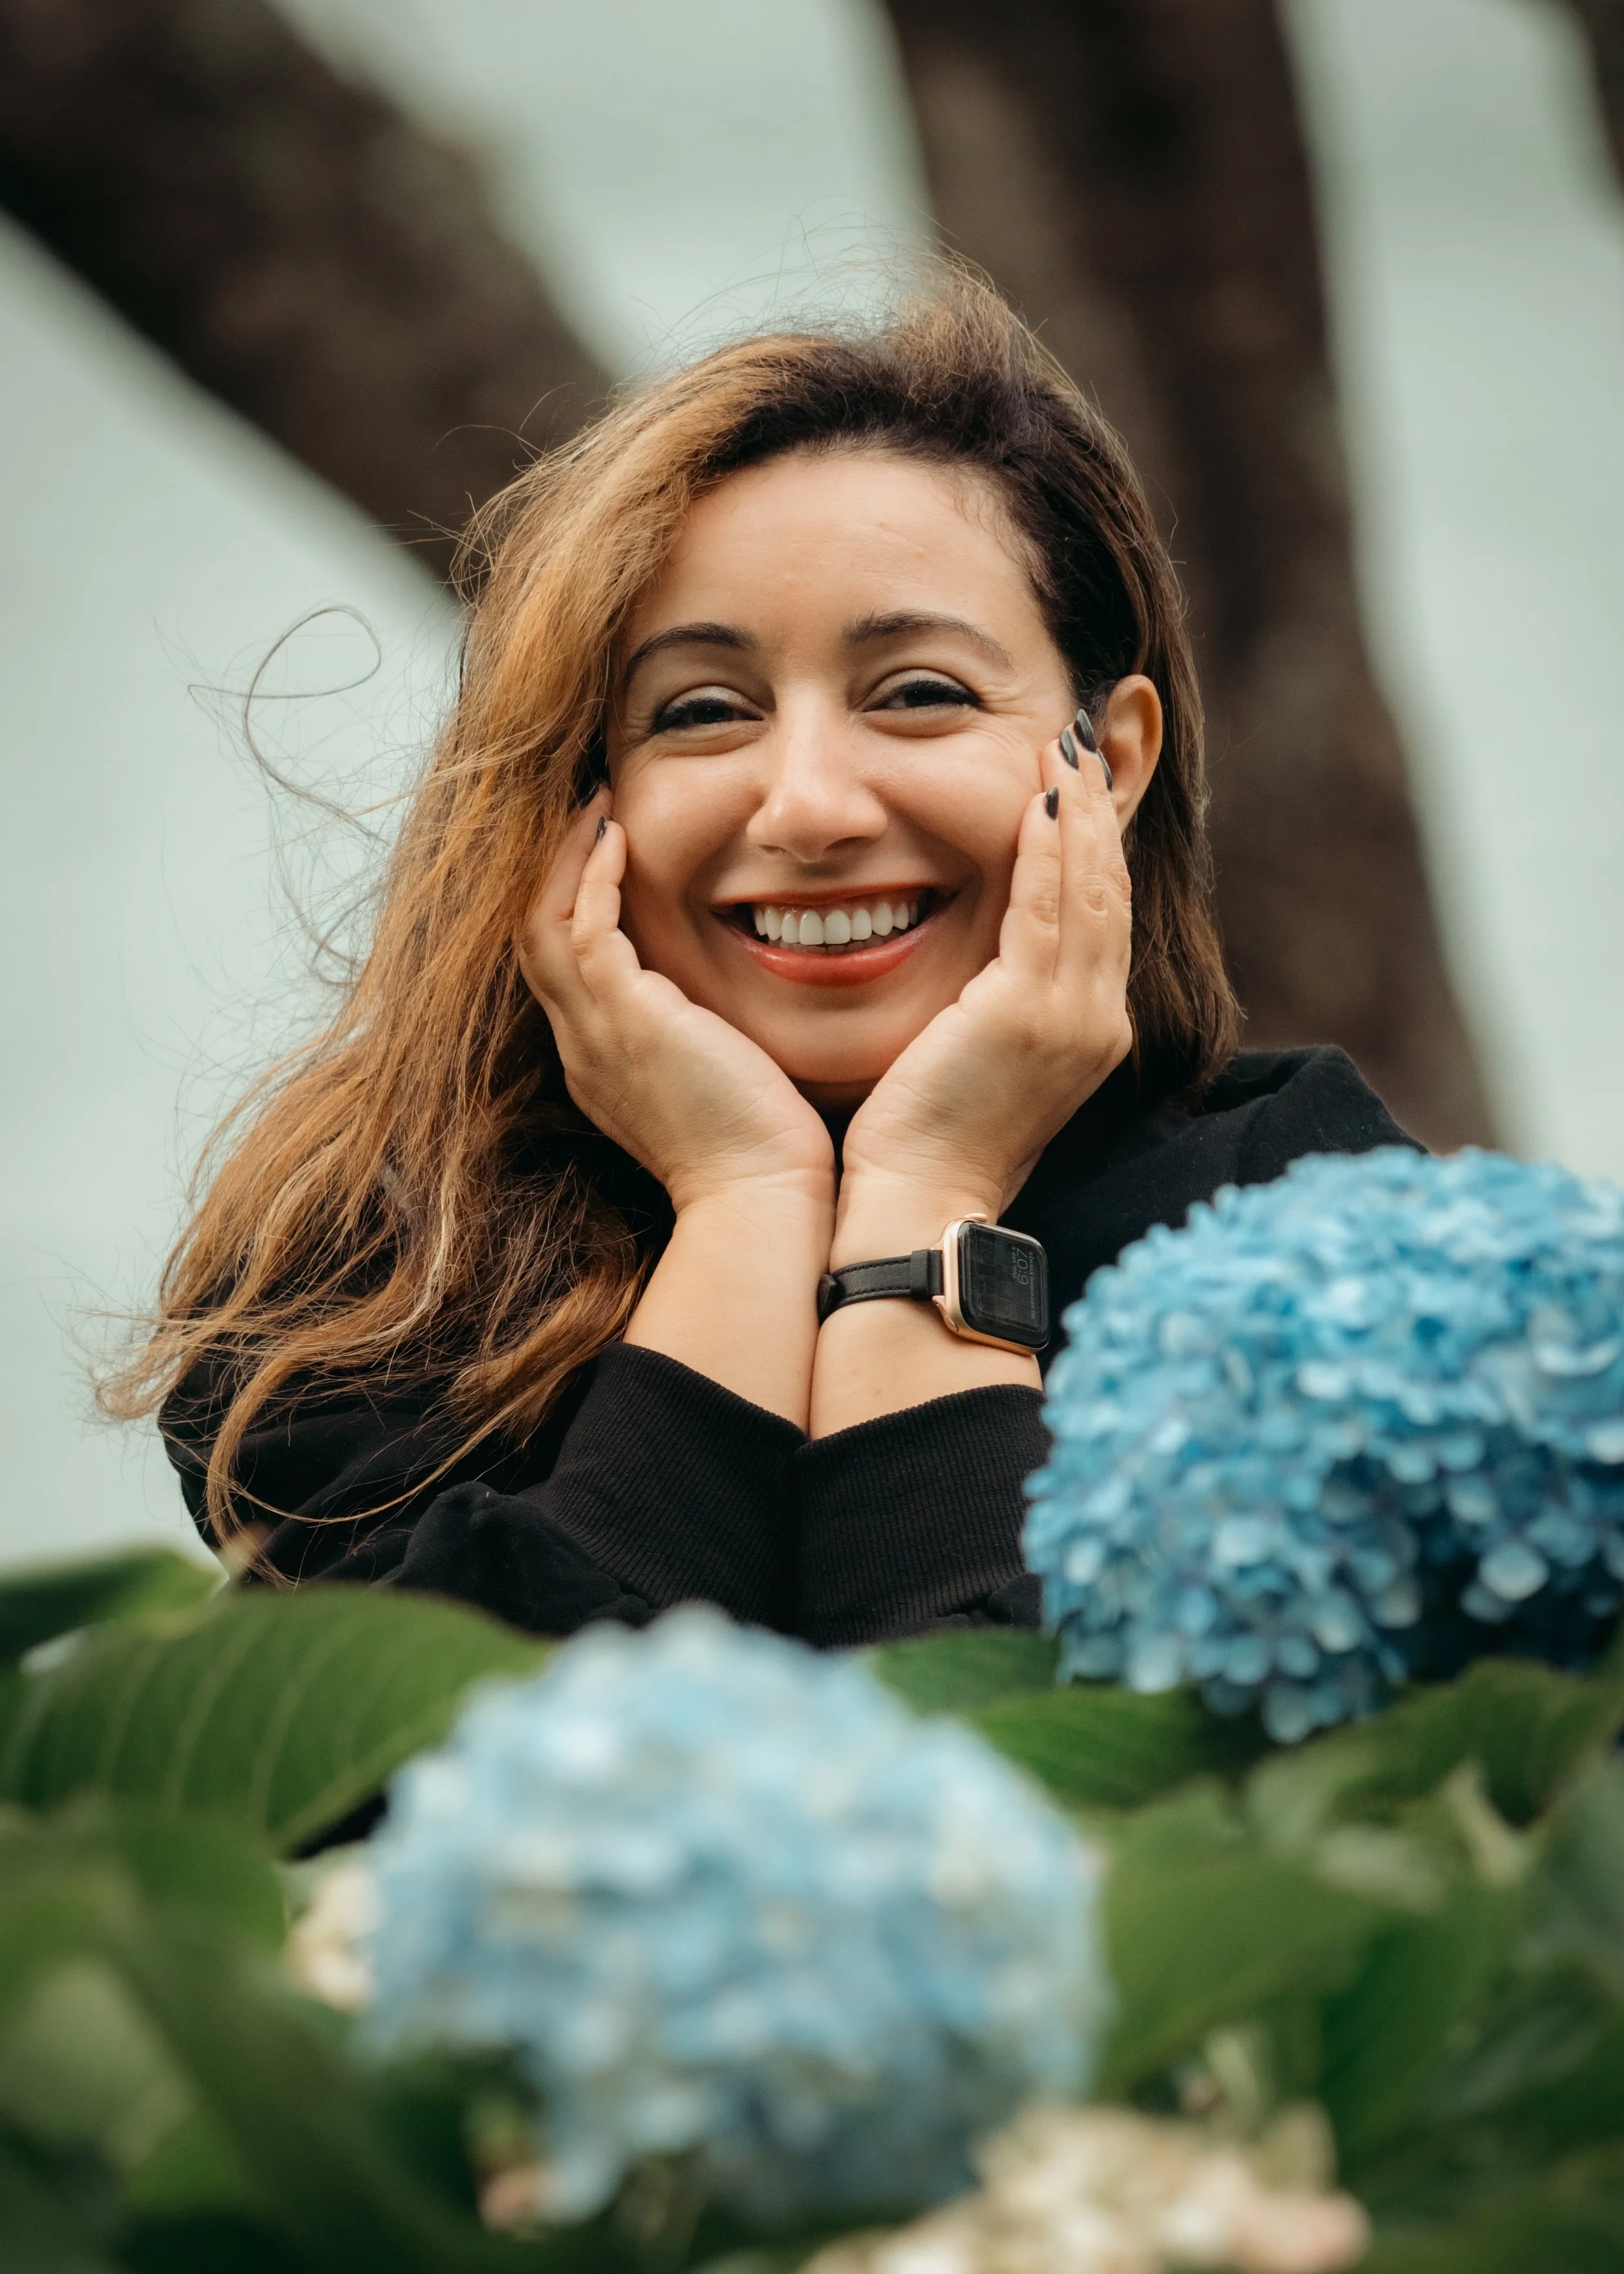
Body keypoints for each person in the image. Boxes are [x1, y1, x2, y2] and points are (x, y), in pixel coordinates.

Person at [113, 279, 1414, 1646]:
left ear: (1114, 759)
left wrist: (928, 1199)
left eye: (918, 692)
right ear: (574, 789)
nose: (805, 808)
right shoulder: (377, 1303)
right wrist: (742, 1199)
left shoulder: (1302, 1223)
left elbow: (1051, 1805)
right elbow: (486, 1809)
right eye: (700, 711)